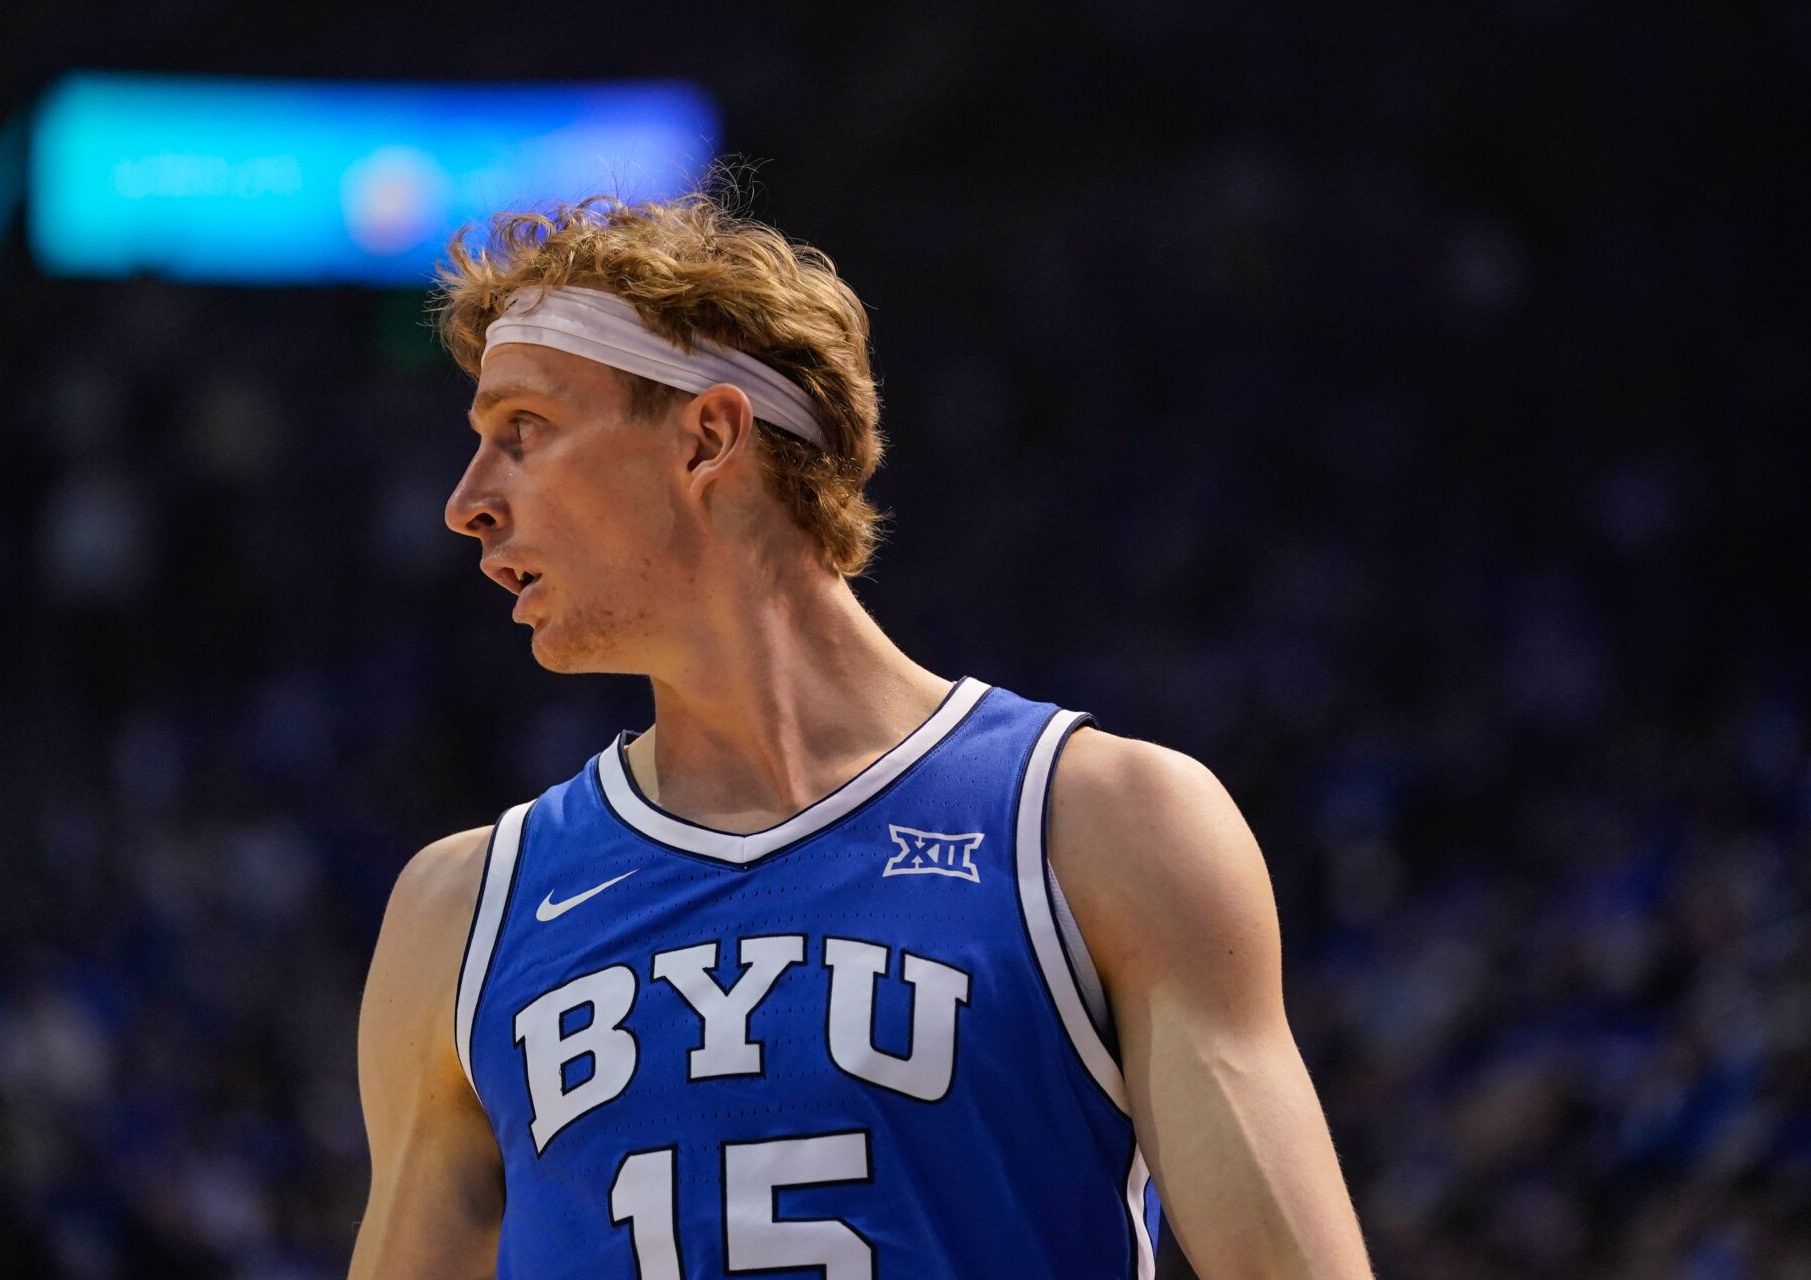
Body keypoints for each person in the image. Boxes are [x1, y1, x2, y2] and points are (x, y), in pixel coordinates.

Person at [348, 192, 1374, 1280]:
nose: (466, 501)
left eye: (525, 432)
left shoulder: (1102, 827)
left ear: (706, 437)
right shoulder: (459, 911)